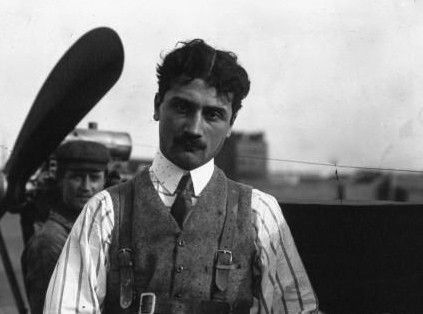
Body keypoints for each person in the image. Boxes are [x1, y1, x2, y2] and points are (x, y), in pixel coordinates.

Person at [44, 39, 318, 313]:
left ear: (231, 124)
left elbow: (297, 308)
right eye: (182, 108)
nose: (194, 129)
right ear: (157, 106)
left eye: (213, 114)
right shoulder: (104, 211)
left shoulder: (259, 212)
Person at [21, 140, 110, 314]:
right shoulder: (50, 242)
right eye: (77, 177)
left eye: (94, 177)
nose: (86, 187)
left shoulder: (99, 227)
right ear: (61, 180)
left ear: (104, 181)